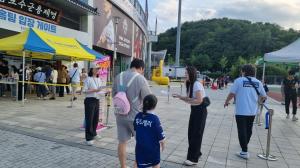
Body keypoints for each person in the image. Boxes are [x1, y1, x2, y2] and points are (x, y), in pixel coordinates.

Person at [112, 59, 151, 168]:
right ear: (141, 68)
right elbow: (148, 99)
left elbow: (114, 95)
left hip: (120, 115)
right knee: (141, 143)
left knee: (122, 142)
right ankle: (136, 166)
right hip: (136, 117)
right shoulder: (141, 79)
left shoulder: (118, 76)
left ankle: (123, 166)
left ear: (131, 66)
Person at [224, 64, 267, 160]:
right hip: (252, 111)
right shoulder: (258, 82)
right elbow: (264, 96)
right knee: (249, 129)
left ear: (244, 71)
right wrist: (259, 102)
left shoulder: (238, 81)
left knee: (242, 130)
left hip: (241, 110)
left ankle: (244, 151)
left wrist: (226, 101)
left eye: (241, 71)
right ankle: (244, 145)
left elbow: (232, 93)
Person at [173, 66, 208, 166]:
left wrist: (188, 100)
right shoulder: (189, 84)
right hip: (194, 110)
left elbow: (199, 100)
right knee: (191, 133)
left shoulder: (196, 84)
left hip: (200, 111)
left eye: (186, 73)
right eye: (185, 73)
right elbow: (189, 98)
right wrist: (180, 97)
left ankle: (193, 159)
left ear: (191, 74)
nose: (185, 75)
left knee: (196, 134)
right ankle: (197, 152)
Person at [134, 94, 165, 168]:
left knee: (138, 162)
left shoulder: (138, 116)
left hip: (140, 146)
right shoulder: (154, 119)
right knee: (155, 163)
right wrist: (163, 146)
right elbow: (161, 136)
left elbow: (135, 130)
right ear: (154, 106)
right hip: (152, 148)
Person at [82, 63, 106, 145]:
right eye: (96, 69)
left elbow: (99, 90)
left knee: (95, 119)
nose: (98, 70)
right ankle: (88, 138)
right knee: (89, 119)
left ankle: (94, 133)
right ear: (92, 69)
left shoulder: (99, 79)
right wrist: (94, 90)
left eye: (99, 69)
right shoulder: (88, 79)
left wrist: (105, 92)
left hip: (97, 100)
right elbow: (84, 91)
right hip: (89, 100)